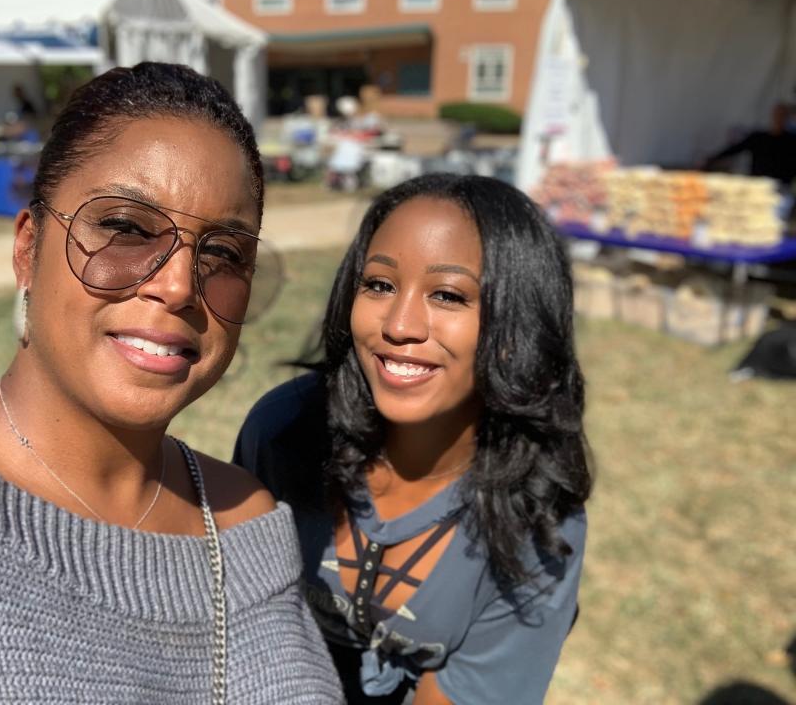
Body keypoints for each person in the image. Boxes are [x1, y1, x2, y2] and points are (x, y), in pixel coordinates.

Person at [0, 62, 342, 704]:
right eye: (126, 228)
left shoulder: (246, 525)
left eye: (223, 254)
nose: (179, 285)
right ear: (29, 247)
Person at [234, 173, 592, 704]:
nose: (399, 325)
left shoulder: (537, 521)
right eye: (378, 285)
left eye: (447, 295)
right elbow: (231, 629)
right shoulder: (285, 431)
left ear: (517, 329)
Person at [703, 103, 796, 186]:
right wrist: (712, 159)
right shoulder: (758, 138)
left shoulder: (791, 141)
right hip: (757, 185)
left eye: (782, 115)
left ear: (787, 117)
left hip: (781, 187)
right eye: (777, 114)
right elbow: (734, 149)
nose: (779, 118)